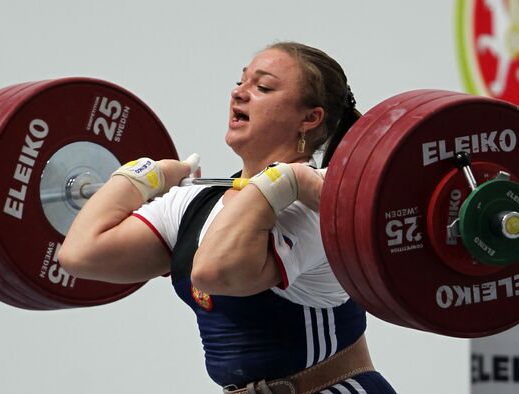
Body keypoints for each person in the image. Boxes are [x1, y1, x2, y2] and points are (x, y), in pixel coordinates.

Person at [59, 42, 397, 394]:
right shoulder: (194, 204)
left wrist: (288, 179)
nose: (240, 92)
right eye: (241, 82)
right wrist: (144, 175)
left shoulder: (320, 204)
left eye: (263, 87)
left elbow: (214, 272)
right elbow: (81, 254)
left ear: (309, 119)